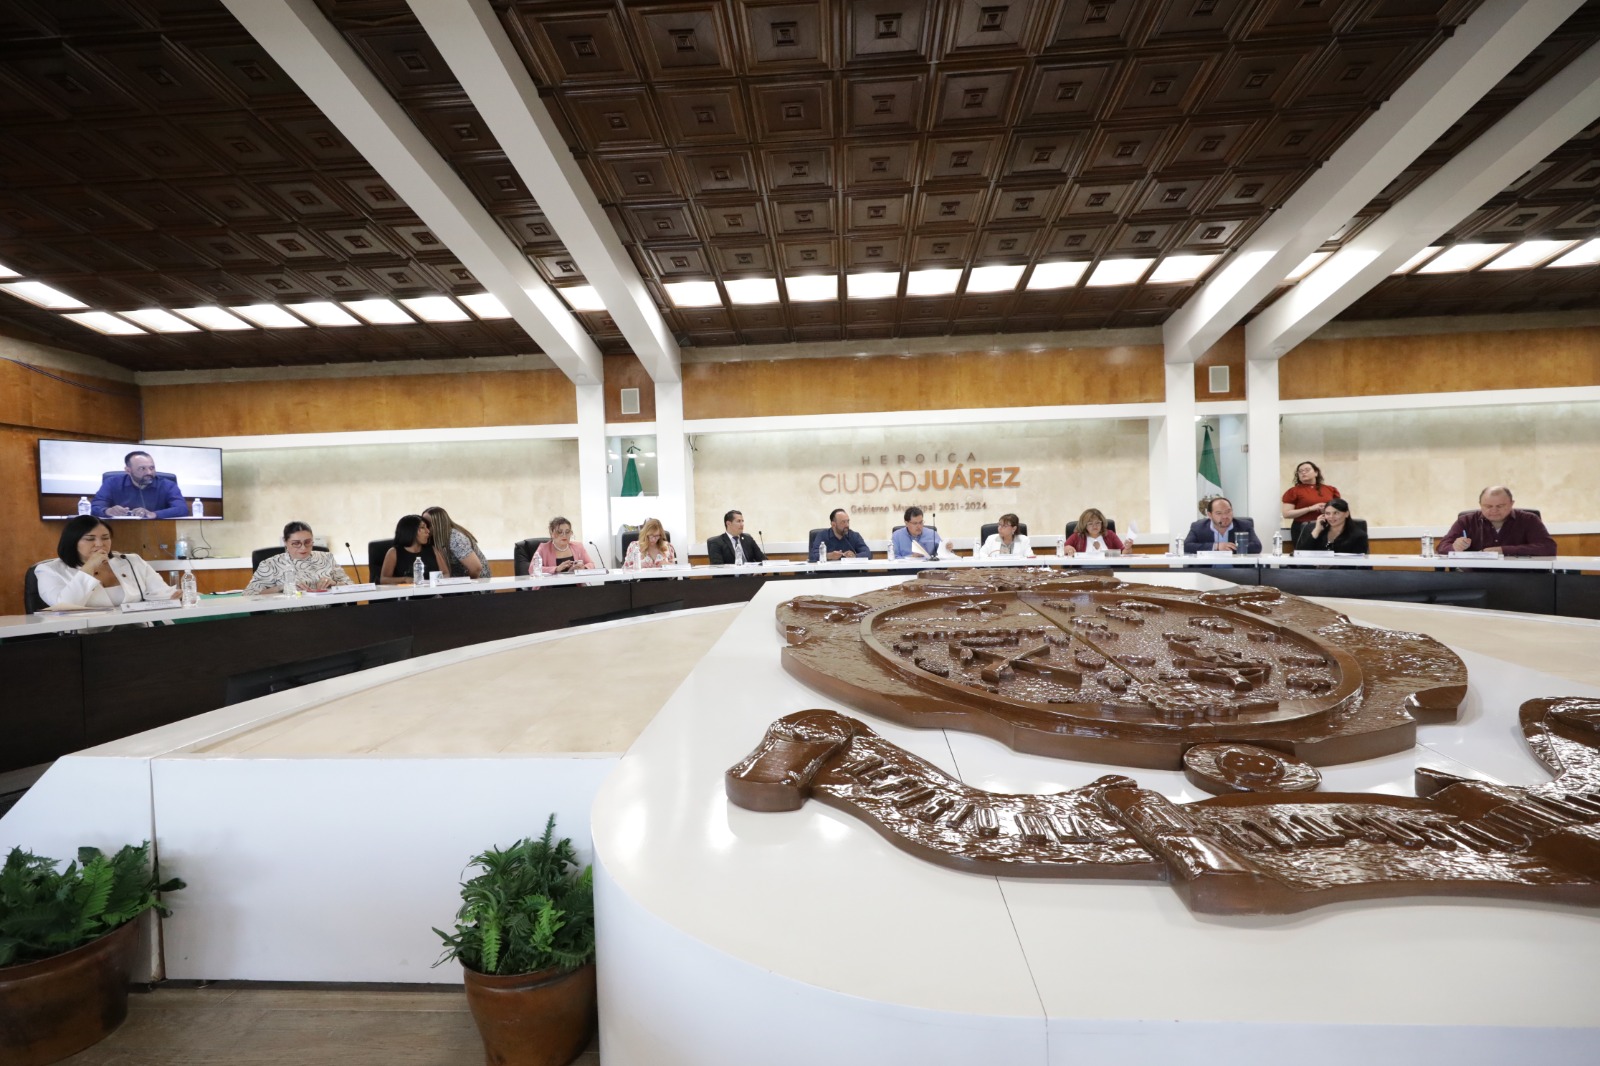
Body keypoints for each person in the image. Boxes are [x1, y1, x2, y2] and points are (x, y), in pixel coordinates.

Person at [33, 514, 179, 609]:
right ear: (72, 542)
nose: (100, 544)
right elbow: (65, 607)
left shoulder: (131, 561)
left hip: (138, 631)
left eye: (105, 538)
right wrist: (89, 567)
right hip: (85, 636)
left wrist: (175, 596)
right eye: (90, 539)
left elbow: (161, 594)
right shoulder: (48, 570)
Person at [244, 521, 355, 594]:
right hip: (288, 616)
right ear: (285, 542)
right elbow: (250, 593)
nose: (303, 547)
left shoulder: (326, 558)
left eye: (308, 542)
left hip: (328, 613)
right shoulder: (270, 564)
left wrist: (335, 584)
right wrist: (282, 587)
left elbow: (351, 586)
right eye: (296, 543)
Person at [1442, 486, 1556, 556]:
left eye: (1500, 506)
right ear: (1480, 505)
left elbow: (1548, 547)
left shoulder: (1529, 520)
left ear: (1511, 504)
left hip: (1520, 575)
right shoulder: (1466, 521)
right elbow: (1442, 547)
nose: (1494, 510)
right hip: (1475, 576)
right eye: (1488, 506)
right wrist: (1454, 547)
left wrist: (1504, 550)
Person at [90, 450, 187, 519]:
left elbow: (182, 509)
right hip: (120, 530)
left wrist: (153, 514)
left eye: (152, 468)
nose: (149, 472)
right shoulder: (112, 483)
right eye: (142, 468)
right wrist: (108, 511)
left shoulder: (168, 485)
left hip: (156, 530)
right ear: (128, 470)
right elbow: (94, 507)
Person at [1281, 461, 1340, 544]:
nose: (1303, 472)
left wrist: (1327, 511)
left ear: (1316, 473)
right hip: (1303, 527)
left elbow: (1340, 511)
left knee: (1329, 550)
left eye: (1307, 470)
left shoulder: (1330, 489)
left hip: (1327, 526)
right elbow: (1286, 514)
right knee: (1304, 551)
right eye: (1300, 471)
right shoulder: (1293, 491)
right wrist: (1310, 508)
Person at [379, 514, 447, 584]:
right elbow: (383, 580)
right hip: (406, 590)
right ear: (410, 531)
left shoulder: (433, 550)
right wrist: (404, 579)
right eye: (423, 527)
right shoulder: (393, 552)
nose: (428, 531)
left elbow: (446, 574)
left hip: (431, 590)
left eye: (427, 527)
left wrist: (434, 581)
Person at [422, 505, 487, 579]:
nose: (425, 528)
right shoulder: (433, 538)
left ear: (439, 524)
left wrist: (466, 583)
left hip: (478, 582)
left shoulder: (455, 538)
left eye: (428, 525)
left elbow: (476, 568)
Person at [1183, 497, 1262, 554]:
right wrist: (1216, 547)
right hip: (1207, 570)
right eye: (1219, 513)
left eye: (1228, 511)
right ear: (1210, 515)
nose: (1225, 516)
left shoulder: (1244, 525)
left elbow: (1257, 546)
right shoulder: (1198, 527)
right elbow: (1186, 546)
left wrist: (1229, 548)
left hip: (1236, 570)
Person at [1294, 498, 1368, 554]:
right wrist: (1317, 530)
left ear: (1346, 514)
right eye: (1328, 513)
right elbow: (1300, 554)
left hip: (1343, 570)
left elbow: (1360, 564)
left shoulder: (1358, 535)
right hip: (1314, 569)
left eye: (1336, 513)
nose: (1331, 517)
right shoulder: (1317, 530)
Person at [531, 516, 597, 574]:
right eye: (559, 532)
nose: (564, 535)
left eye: (567, 532)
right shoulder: (543, 548)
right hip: (553, 584)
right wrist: (556, 568)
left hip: (576, 583)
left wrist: (583, 568)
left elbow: (591, 564)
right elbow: (532, 569)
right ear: (552, 533)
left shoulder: (578, 546)